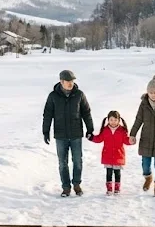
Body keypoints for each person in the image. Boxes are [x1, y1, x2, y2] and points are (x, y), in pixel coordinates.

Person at [43, 69, 95, 197]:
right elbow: (47, 115)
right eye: (68, 81)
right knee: (62, 163)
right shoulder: (53, 96)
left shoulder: (79, 95)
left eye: (72, 81)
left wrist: (90, 129)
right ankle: (66, 187)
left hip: (76, 134)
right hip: (60, 136)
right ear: (61, 81)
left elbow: (86, 112)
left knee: (77, 161)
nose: (71, 83)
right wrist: (45, 131)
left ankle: (76, 184)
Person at [90, 110, 134, 196]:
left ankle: (117, 188)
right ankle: (109, 189)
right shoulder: (105, 130)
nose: (113, 122)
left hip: (118, 155)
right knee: (109, 172)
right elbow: (99, 138)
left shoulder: (122, 130)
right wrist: (91, 138)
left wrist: (131, 141)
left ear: (119, 120)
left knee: (117, 173)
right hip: (107, 155)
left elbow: (125, 140)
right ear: (108, 120)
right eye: (111, 120)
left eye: (115, 120)